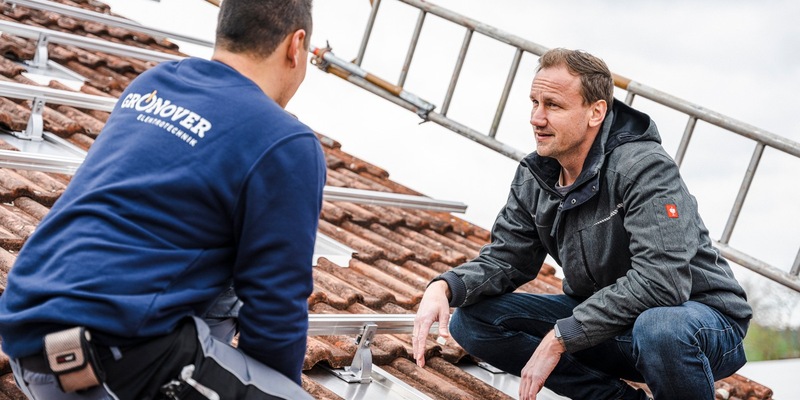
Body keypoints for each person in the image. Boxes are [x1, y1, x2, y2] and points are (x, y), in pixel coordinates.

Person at [0, 0, 324, 398]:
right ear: (297, 45)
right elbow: (276, 308)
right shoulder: (284, 141)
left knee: (225, 272)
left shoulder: (154, 83)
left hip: (29, 342)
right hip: (113, 360)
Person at [412, 48, 752, 400]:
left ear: (596, 112)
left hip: (699, 322)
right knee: (473, 321)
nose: (536, 118)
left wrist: (561, 337)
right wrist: (445, 287)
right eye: (534, 102)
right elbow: (507, 259)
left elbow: (662, 282)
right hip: (610, 323)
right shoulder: (535, 177)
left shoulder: (644, 167)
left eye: (553, 105)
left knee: (661, 327)